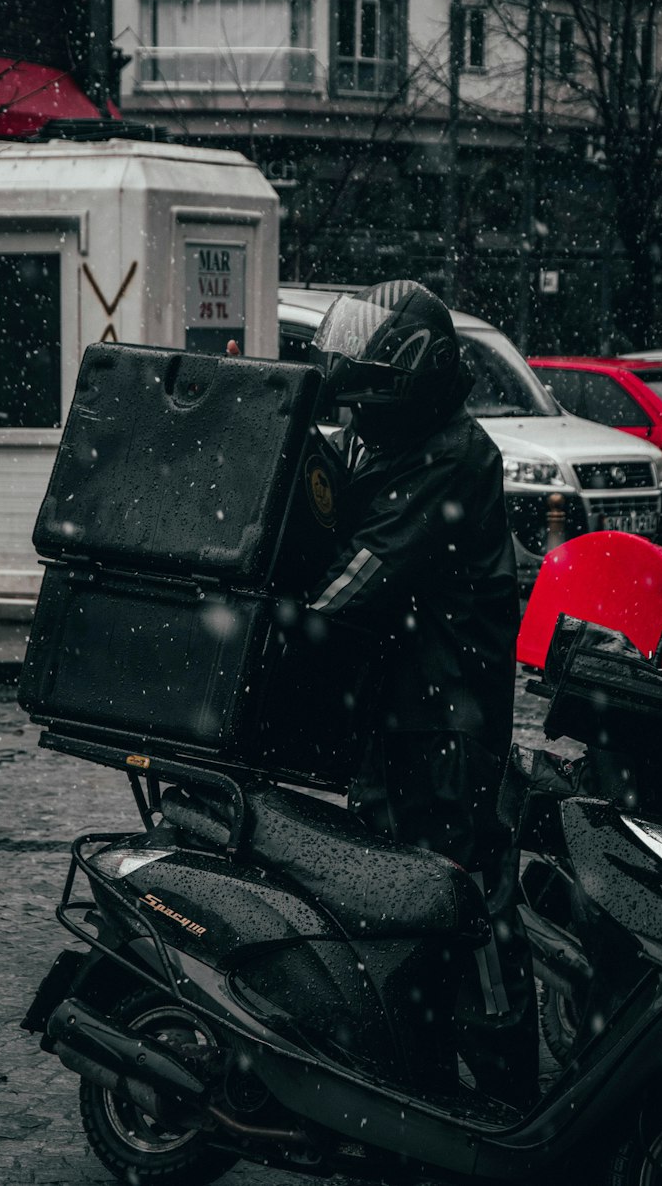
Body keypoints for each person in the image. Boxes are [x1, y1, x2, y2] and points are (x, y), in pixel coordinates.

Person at [234, 281, 539, 1107]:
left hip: (445, 722)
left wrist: (269, 628)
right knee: (385, 886)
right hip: (400, 712)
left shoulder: (455, 452)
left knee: (447, 901)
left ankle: (486, 1084)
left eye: (372, 385)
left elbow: (367, 571)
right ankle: (406, 1063)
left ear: (417, 372)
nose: (358, 406)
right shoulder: (388, 437)